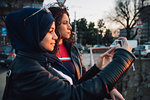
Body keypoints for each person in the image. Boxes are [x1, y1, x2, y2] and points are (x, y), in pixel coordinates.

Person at [3, 7, 135, 100]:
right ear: (32, 34)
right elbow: (74, 95)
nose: (55, 37)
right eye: (50, 31)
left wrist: (97, 68)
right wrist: (122, 58)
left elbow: (74, 86)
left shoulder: (40, 59)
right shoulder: (28, 69)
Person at [48, 7, 127, 100]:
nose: (70, 27)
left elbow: (84, 78)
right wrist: (125, 56)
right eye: (65, 23)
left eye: (69, 23)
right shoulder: (44, 51)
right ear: (54, 25)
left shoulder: (73, 50)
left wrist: (109, 88)